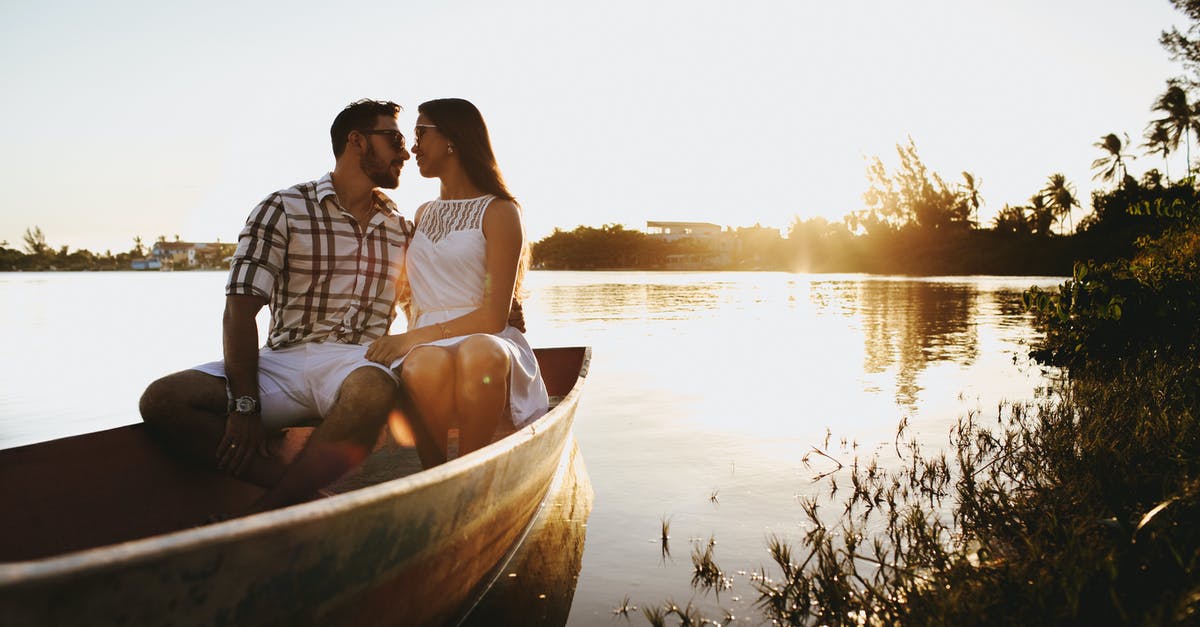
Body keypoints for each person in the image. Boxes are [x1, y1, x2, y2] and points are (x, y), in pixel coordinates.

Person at [139, 99, 415, 513]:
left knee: (374, 387)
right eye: (394, 139)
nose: (405, 152)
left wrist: (499, 312)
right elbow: (239, 311)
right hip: (282, 362)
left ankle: (269, 510)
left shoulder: (403, 229)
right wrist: (244, 406)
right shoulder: (283, 208)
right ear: (356, 142)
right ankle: (309, 496)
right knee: (162, 399)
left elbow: (430, 308)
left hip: (358, 362)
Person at [365, 98, 548, 460]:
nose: (412, 146)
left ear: (453, 138)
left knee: (480, 353)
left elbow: (494, 316)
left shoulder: (500, 211)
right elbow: (411, 288)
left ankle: (470, 466)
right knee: (423, 364)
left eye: (420, 133)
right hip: (427, 340)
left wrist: (410, 338)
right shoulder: (422, 213)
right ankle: (434, 473)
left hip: (487, 336)